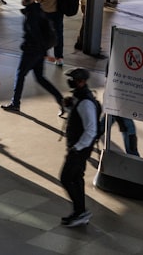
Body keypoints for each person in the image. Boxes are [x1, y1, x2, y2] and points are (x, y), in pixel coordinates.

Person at [1, 0, 65, 115]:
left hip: (31, 51)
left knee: (20, 75)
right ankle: (60, 99)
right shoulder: (38, 10)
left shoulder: (31, 14)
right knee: (40, 78)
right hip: (38, 51)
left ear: (28, 0)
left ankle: (15, 103)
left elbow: (36, 34)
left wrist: (43, 52)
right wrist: (44, 52)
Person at [60, 68, 98, 228]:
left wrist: (77, 148)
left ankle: (80, 211)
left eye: (74, 79)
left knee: (66, 178)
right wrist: (69, 106)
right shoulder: (80, 97)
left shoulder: (86, 102)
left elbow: (91, 128)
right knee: (76, 178)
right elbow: (78, 117)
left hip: (80, 148)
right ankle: (80, 212)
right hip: (80, 147)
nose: (71, 81)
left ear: (81, 81)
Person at [34, 0, 65, 66]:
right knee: (59, 33)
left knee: (44, 33)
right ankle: (59, 57)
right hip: (58, 9)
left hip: (46, 10)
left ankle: (44, 54)